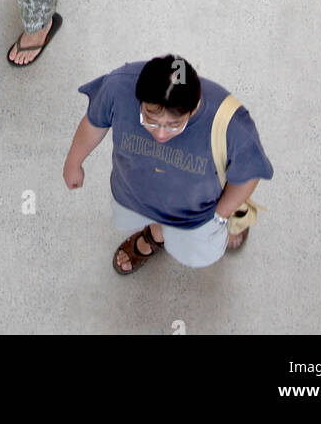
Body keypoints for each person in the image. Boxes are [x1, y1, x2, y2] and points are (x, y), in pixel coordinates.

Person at [63, 54, 274, 273]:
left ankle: (231, 218)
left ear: (193, 108)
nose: (161, 134)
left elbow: (248, 174)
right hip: (133, 196)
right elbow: (94, 121)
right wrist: (73, 163)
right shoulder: (117, 87)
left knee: (197, 252)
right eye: (149, 119)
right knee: (147, 220)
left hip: (196, 215)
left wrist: (221, 213)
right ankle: (156, 234)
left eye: (174, 125)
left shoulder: (232, 125)